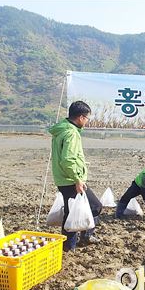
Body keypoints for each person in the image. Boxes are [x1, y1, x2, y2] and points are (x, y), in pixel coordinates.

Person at [49, 101, 102, 251]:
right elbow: (67, 159)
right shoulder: (71, 133)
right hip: (70, 179)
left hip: (63, 177)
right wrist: (77, 179)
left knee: (70, 211)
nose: (86, 121)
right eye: (87, 118)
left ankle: (69, 245)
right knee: (95, 206)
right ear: (80, 117)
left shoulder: (62, 130)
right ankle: (83, 238)